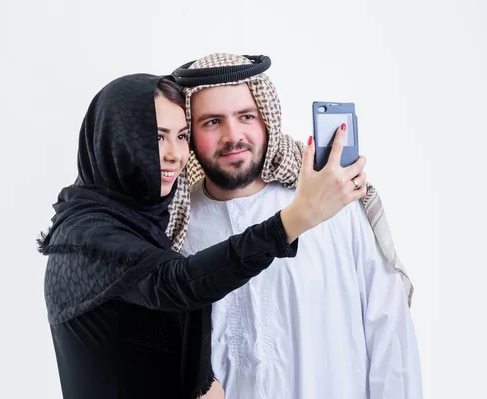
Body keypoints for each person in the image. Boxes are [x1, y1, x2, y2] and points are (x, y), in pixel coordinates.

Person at [37, 73, 367, 399]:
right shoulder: (85, 236)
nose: (174, 154)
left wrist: (203, 381)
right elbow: (178, 284)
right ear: (114, 140)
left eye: (181, 136)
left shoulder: (145, 224)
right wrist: (295, 219)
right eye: (157, 137)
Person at [173, 53, 423, 398]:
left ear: (266, 119)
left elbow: (388, 329)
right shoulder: (180, 227)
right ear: (189, 133)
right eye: (212, 122)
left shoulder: (333, 206)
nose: (233, 136)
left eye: (246, 116)